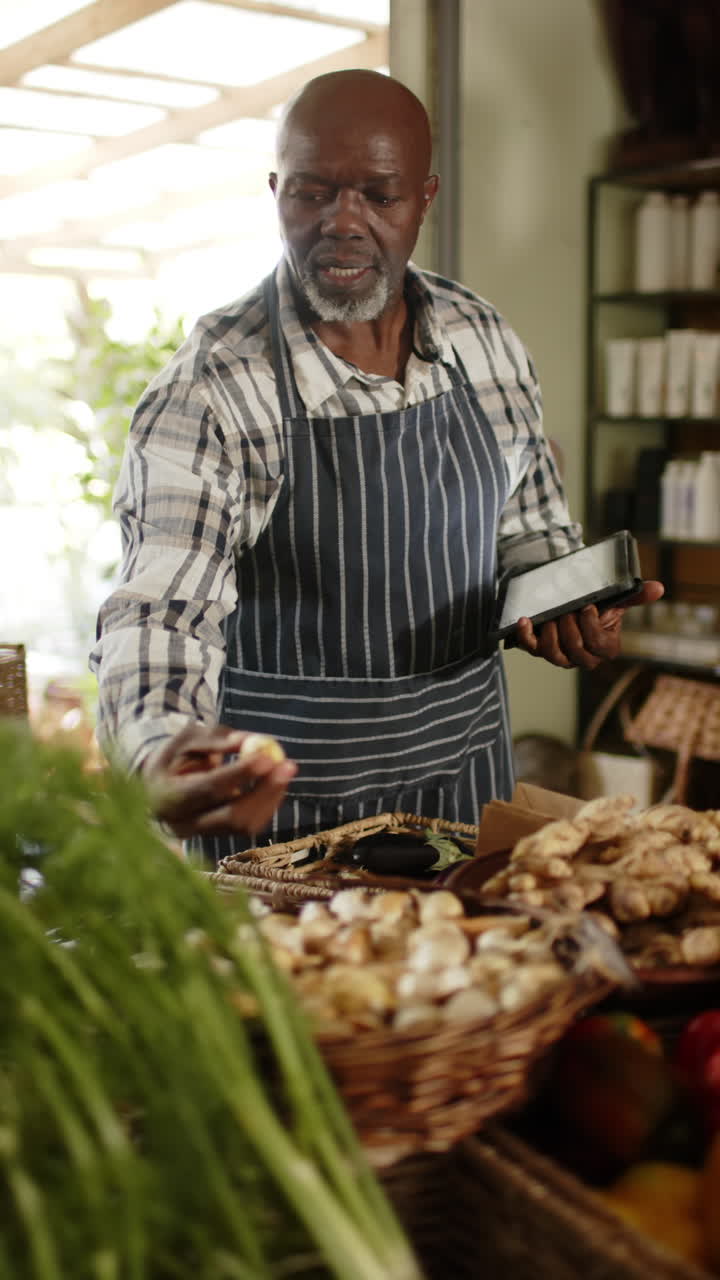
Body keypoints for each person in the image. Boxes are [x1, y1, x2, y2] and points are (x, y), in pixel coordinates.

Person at [90, 69, 662, 863]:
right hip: (283, 837)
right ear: (275, 190)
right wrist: (162, 755)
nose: (341, 223)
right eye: (311, 193)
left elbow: (530, 528)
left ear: (424, 197)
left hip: (465, 797)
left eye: (378, 197)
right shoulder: (213, 390)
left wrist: (567, 600)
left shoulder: (481, 339)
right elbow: (159, 616)